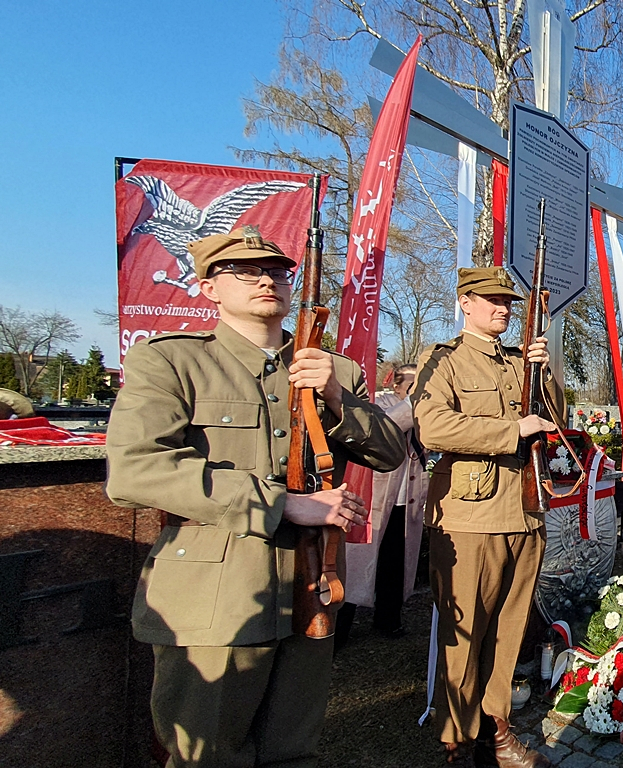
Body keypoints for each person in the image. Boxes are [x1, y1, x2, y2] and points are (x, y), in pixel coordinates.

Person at [105, 227, 406, 767]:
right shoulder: (172, 361)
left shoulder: (334, 369)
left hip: (311, 585)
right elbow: (135, 470)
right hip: (217, 594)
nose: (265, 279)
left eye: (276, 271)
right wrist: (281, 503)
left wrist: (337, 396)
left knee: (292, 752)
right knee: (208, 756)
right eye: (243, 271)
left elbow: (389, 453)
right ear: (208, 288)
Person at [411, 267, 560, 767]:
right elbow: (433, 427)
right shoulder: (443, 360)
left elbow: (555, 419)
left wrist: (545, 372)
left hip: (524, 512)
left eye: (508, 301)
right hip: (470, 516)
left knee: (509, 629)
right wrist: (511, 431)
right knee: (465, 634)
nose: (503, 308)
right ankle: (457, 737)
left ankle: (495, 731)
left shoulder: (520, 361)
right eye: (492, 299)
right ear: (465, 302)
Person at [337, 363, 429, 645]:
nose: (417, 388)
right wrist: (413, 401)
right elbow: (386, 427)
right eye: (411, 383)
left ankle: (389, 618)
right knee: (357, 564)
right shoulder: (381, 405)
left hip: (406, 500)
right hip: (374, 500)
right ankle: (341, 625)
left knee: (395, 563)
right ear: (396, 386)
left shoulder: (423, 409)